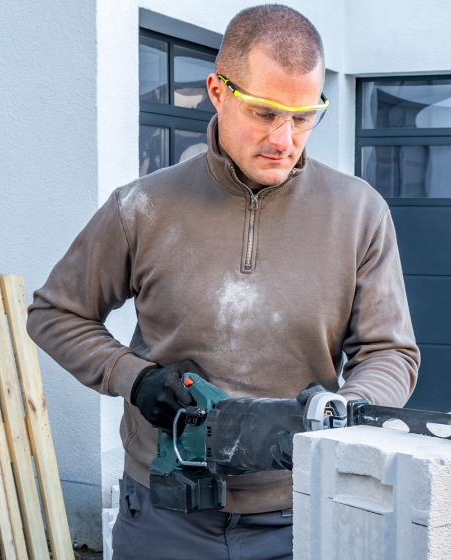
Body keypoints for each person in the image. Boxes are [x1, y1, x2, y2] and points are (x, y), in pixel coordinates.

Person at [26, 5, 419, 559]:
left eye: (304, 117)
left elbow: (391, 353)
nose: (285, 139)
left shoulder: (359, 213)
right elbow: (54, 314)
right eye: (264, 112)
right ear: (217, 90)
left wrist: (341, 411)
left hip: (300, 511)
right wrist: (135, 378)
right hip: (164, 514)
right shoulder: (142, 207)